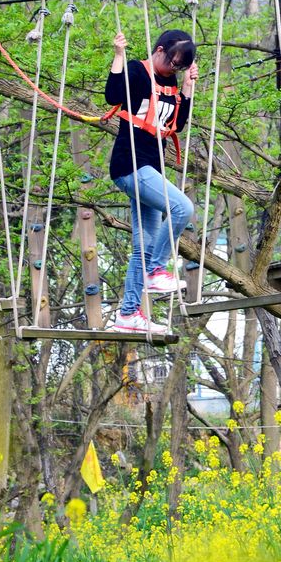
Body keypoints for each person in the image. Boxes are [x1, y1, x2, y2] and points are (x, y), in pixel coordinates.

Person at [105, 29, 198, 334]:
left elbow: (177, 124)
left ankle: (128, 314)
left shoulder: (170, 82)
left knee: (142, 248)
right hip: (130, 164)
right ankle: (156, 270)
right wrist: (118, 55)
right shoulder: (138, 71)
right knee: (183, 208)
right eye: (172, 62)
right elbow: (113, 96)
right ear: (159, 50)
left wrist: (186, 88)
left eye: (179, 67)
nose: (173, 69)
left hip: (151, 168)